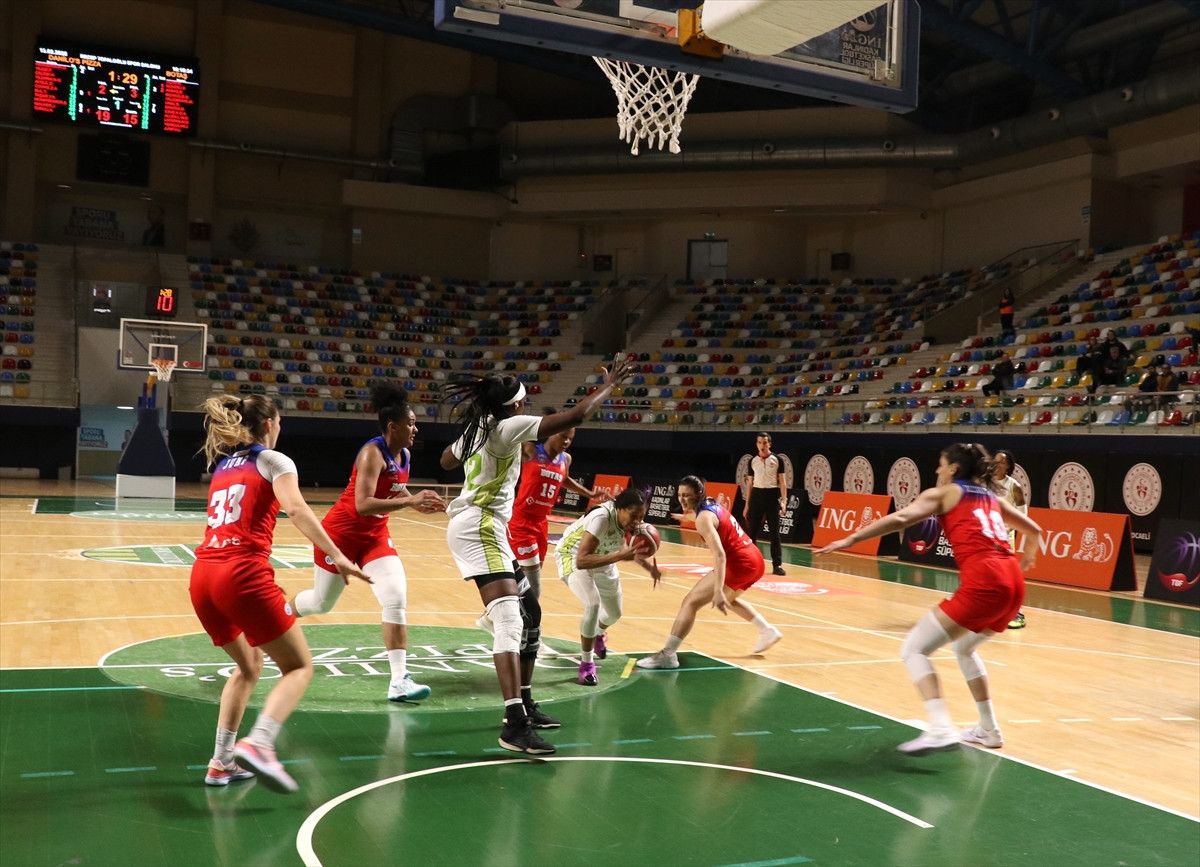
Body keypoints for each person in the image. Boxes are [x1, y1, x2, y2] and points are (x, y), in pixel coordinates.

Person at [439, 354, 634, 755]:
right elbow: (576, 415)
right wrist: (610, 386)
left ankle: (525, 701)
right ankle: (514, 724)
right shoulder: (508, 426)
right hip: (481, 527)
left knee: (532, 612)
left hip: (489, 527)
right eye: (523, 402)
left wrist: (472, 442)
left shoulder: (483, 425)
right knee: (510, 621)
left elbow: (445, 460)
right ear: (515, 405)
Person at [189, 395, 369, 793]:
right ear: (270, 423)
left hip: (203, 577)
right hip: (241, 575)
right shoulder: (274, 460)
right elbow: (298, 510)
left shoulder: (223, 466)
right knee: (299, 667)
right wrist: (337, 555)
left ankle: (221, 762)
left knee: (249, 666)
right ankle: (260, 741)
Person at [816, 443, 1042, 755]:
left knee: (913, 649)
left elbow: (900, 519)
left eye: (941, 464)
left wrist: (852, 538)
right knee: (964, 648)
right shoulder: (992, 497)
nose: (937, 470)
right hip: (1013, 583)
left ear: (953, 468)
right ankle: (989, 730)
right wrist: (1028, 556)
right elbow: (1034, 530)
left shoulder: (945, 493)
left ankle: (940, 728)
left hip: (985, 580)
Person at [290, 383, 446, 702]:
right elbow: (362, 504)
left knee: (395, 596)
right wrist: (410, 501)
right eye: (411, 423)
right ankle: (278, 613)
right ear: (393, 426)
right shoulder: (371, 453)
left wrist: (417, 501)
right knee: (321, 603)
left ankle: (399, 680)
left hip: (374, 536)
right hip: (340, 535)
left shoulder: (404, 454)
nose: (416, 429)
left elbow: (395, 487)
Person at [488, 416, 608, 661]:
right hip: (521, 522)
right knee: (534, 587)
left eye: (570, 438)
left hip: (542, 525)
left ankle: (491, 617)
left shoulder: (566, 459)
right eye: (563, 436)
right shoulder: (530, 450)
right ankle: (532, 637)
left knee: (527, 583)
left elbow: (564, 479)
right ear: (551, 432)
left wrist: (587, 493)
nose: (566, 441)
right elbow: (509, 437)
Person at [637, 475, 783, 670]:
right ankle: (767, 630)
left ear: (698, 494)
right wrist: (685, 517)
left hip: (740, 563)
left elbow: (720, 555)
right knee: (729, 599)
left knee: (690, 602)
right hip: (755, 559)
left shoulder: (703, 519)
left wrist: (718, 590)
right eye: (680, 495)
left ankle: (668, 655)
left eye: (686, 495)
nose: (682, 499)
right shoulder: (710, 504)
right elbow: (706, 518)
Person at [555, 487, 661, 686]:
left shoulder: (629, 523)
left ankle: (597, 633)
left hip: (603, 558)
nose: (638, 521)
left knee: (614, 613)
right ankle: (587, 664)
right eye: (634, 515)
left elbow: (625, 548)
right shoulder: (601, 518)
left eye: (642, 517)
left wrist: (649, 568)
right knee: (593, 604)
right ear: (620, 509)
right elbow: (582, 560)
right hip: (573, 555)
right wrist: (619, 556)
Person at [743, 432, 788, 576]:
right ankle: (751, 563)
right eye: (760, 442)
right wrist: (747, 504)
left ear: (770, 444)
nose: (762, 445)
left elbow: (782, 482)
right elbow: (750, 484)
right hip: (757, 496)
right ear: (756, 444)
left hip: (771, 496)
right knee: (752, 533)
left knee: (774, 533)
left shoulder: (777, 460)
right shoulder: (752, 461)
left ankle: (777, 565)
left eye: (765, 442)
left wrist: (784, 501)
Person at [992, 449, 1027, 630]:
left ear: (1008, 466)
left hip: (1005, 536)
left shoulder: (1014, 487)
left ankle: (1018, 613)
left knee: (1008, 576)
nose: (997, 464)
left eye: (1002, 462)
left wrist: (1008, 530)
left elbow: (1023, 515)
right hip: (988, 536)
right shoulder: (987, 484)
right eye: (995, 461)